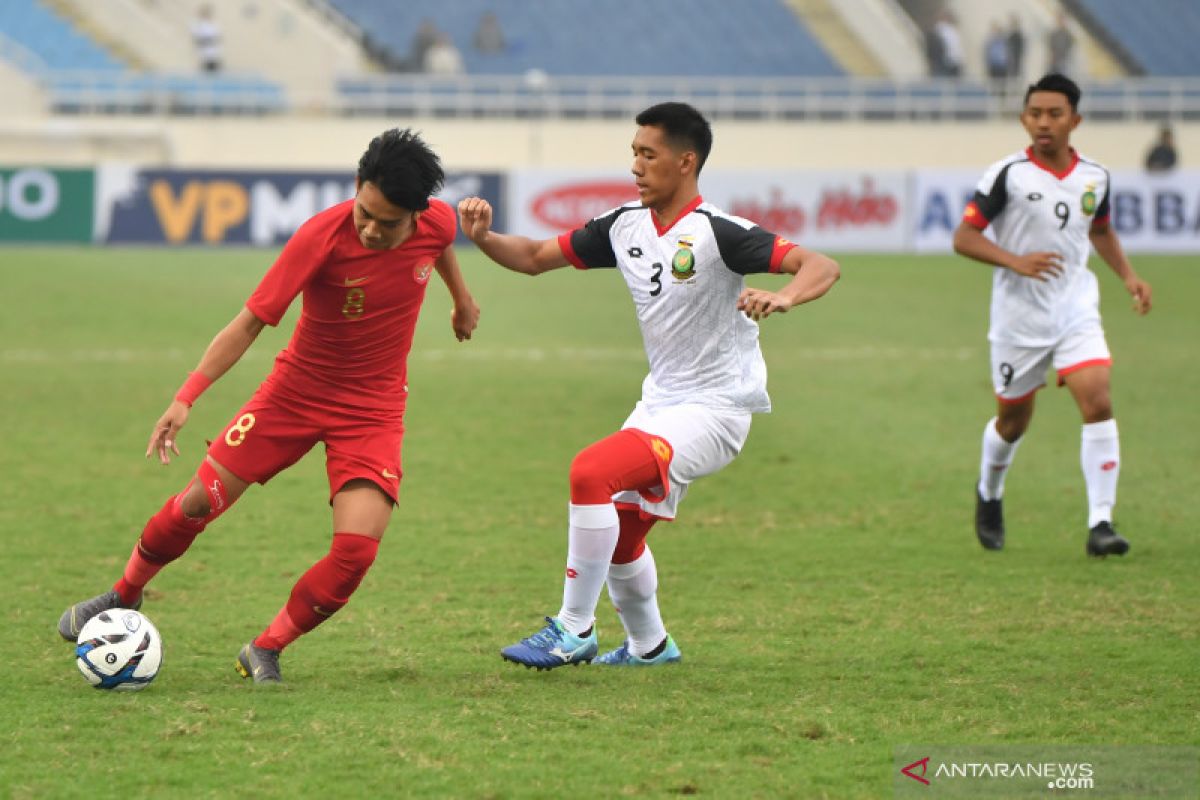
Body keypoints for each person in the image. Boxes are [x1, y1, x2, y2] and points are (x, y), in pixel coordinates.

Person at [57, 129, 481, 683]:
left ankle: (266, 647)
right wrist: (186, 397)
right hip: (294, 395)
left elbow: (440, 244)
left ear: (417, 214)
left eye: (389, 223)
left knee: (356, 552)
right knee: (195, 505)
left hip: (373, 411)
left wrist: (461, 299)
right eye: (366, 213)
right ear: (357, 186)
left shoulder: (438, 222)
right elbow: (251, 322)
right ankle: (125, 591)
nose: (373, 229)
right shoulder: (319, 238)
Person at [458, 102, 839, 669]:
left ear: (686, 162)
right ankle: (651, 646)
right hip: (660, 403)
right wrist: (484, 238)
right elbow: (537, 257)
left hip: (716, 409)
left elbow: (820, 264)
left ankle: (572, 629)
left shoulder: (720, 232)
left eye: (648, 153)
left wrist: (783, 296)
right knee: (620, 539)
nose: (636, 165)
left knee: (591, 472)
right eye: (633, 153)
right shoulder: (624, 225)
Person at [952, 74, 1152, 557]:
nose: (1044, 123)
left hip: (1074, 307)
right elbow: (964, 237)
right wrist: (1015, 260)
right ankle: (990, 492)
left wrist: (1127, 275)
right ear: (1024, 118)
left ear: (1075, 120)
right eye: (1035, 114)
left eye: (1054, 114)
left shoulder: (1096, 177)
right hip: (1019, 318)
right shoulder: (1008, 175)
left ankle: (1101, 524)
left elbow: (1100, 229)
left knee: (1097, 399)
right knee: (1013, 421)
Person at [190, 3, 222, 73]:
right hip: (204, 56)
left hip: (214, 55)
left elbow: (217, 39)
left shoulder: (214, 25)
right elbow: (197, 40)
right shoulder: (198, 26)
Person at [985, 22, 1010, 93]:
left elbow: (1006, 54)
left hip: (1002, 66)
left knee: (1002, 85)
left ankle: (1002, 99)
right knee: (994, 85)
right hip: (994, 66)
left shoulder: (1004, 41)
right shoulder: (990, 41)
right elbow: (988, 55)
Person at [1047, 11, 1075, 76]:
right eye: (1059, 20)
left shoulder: (1068, 36)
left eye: (1062, 20)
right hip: (1053, 61)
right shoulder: (1054, 33)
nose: (1060, 22)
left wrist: (1061, 57)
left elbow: (1068, 48)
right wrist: (1052, 56)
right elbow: (1051, 46)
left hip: (1061, 63)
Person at [1007, 15, 1026, 80]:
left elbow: (1021, 46)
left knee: (1017, 71)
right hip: (1011, 57)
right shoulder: (1009, 34)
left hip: (1017, 56)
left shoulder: (1019, 35)